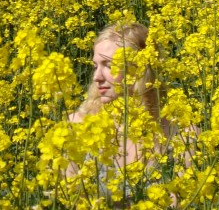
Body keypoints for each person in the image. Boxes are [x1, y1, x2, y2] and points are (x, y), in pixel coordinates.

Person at [66, 22, 196, 206]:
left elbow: (180, 203)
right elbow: (69, 199)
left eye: (109, 65)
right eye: (95, 66)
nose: (97, 77)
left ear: (139, 69)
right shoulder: (77, 126)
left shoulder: (182, 135)